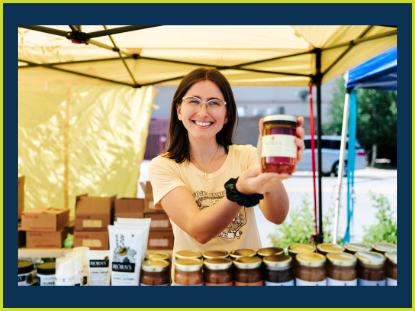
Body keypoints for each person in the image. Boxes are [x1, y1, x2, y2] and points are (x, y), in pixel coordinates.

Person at [148, 68, 305, 283]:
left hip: (248, 279)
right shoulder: (164, 166)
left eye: (214, 103)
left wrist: (270, 168)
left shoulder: (248, 156)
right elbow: (199, 230)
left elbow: (276, 216)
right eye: (193, 101)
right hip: (193, 281)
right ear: (178, 110)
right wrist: (238, 191)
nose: (203, 111)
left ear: (226, 115)